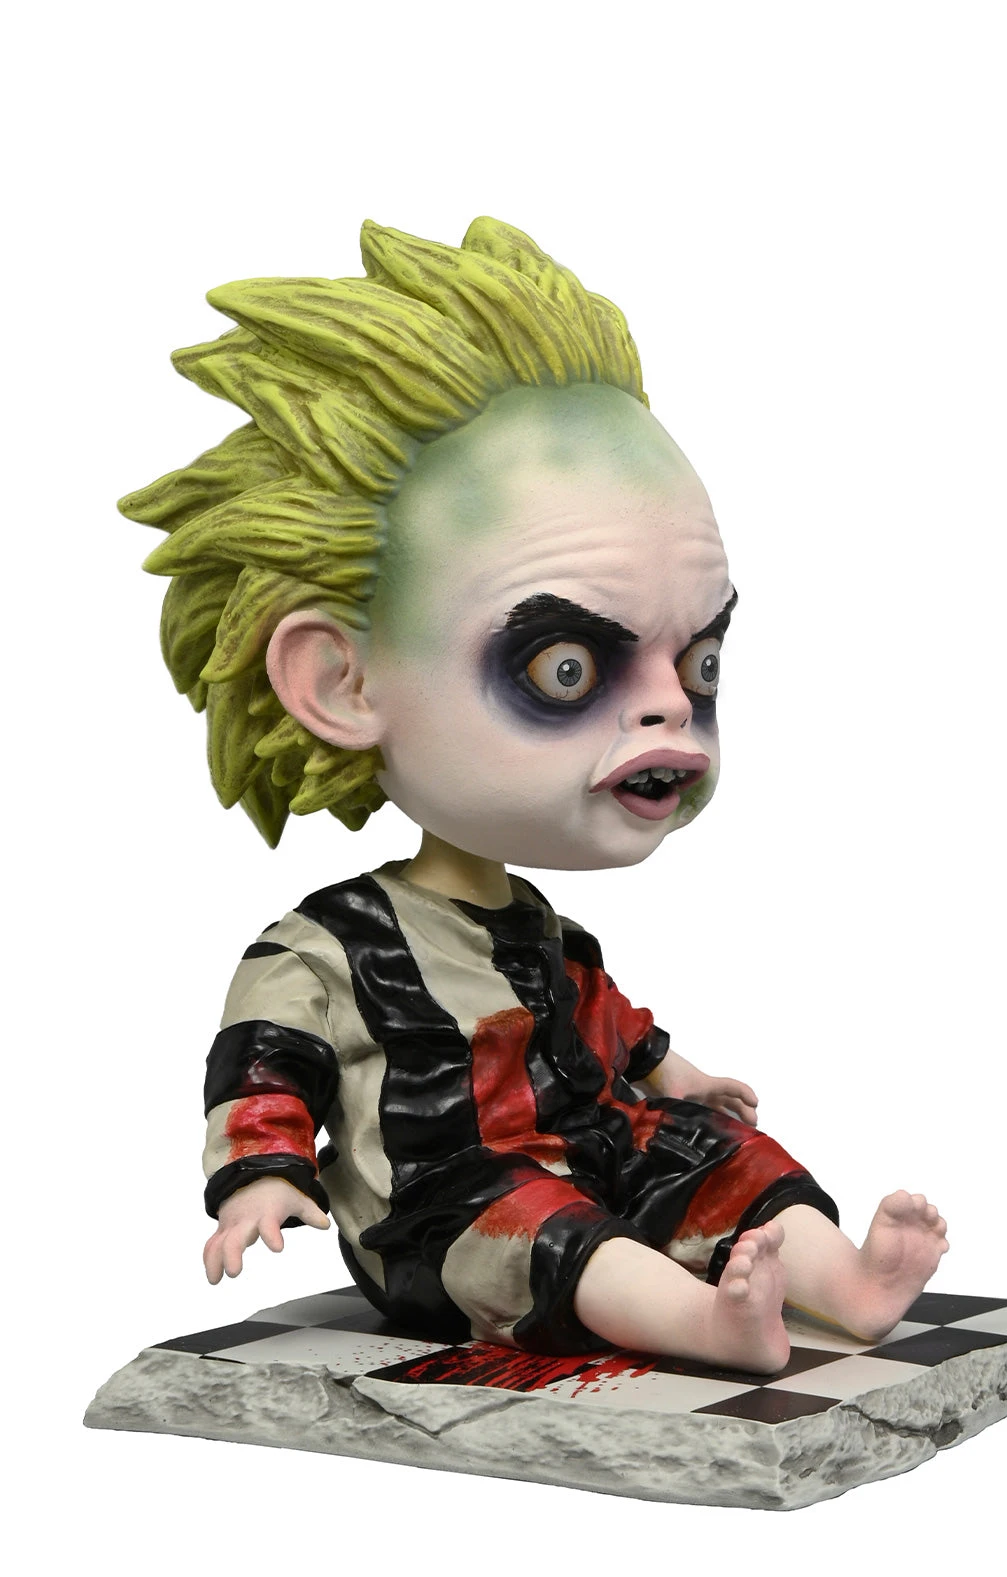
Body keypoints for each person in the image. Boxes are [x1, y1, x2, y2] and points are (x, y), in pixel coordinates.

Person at [122, 217, 948, 1375]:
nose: (670, 708)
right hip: (446, 1201)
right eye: (566, 668)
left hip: (595, 1143)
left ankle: (846, 1283)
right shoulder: (328, 948)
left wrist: (679, 1077)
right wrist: (261, 1174)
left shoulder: (546, 933)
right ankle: (708, 1325)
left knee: (712, 1154)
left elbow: (608, 1024)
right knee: (545, 1233)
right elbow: (265, 1063)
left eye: (699, 663)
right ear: (340, 682)